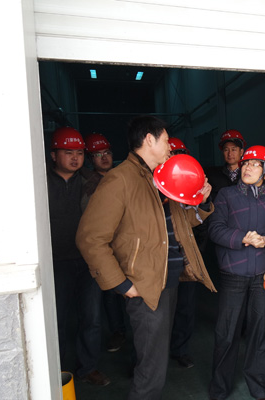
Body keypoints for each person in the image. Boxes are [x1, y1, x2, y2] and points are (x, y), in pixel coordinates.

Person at [76, 116, 216, 400]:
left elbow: (180, 223)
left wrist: (201, 203)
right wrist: (122, 284)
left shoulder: (159, 178)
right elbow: (90, 238)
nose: (170, 147)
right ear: (149, 140)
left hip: (168, 280)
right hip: (145, 285)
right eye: (166, 140)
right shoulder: (120, 180)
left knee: (153, 358)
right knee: (152, 368)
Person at [208, 145, 265, 400]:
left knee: (262, 331)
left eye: (255, 164)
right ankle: (219, 389)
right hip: (233, 274)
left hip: (263, 276)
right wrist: (243, 237)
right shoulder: (226, 195)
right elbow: (215, 230)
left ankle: (260, 388)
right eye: (245, 163)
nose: (247, 167)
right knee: (227, 332)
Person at [46, 127, 110, 386]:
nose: (75, 158)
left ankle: (88, 367)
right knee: (57, 319)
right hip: (55, 261)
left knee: (91, 317)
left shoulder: (93, 182)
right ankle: (56, 371)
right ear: (53, 155)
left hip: (87, 260)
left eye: (80, 153)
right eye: (68, 152)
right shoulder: (39, 181)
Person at [84, 132, 127, 353]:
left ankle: (127, 334)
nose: (104, 157)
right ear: (91, 159)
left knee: (127, 295)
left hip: (124, 246)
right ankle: (117, 332)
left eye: (107, 152)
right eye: (98, 154)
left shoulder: (122, 178)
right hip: (102, 248)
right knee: (108, 294)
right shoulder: (87, 184)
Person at [167, 136, 198, 368]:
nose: (176, 159)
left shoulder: (192, 183)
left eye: (180, 154)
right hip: (161, 259)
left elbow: (195, 219)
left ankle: (180, 350)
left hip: (185, 256)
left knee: (185, 307)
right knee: (157, 313)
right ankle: (147, 360)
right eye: (172, 154)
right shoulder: (153, 185)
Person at [206, 129, 246, 201]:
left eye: (233, 150)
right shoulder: (213, 176)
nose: (230, 154)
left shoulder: (249, 174)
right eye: (226, 150)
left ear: (241, 152)